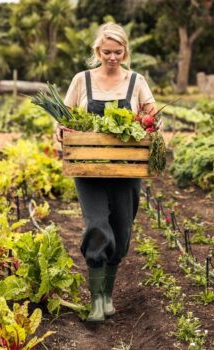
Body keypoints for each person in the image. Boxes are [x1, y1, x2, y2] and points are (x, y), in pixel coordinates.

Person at [55, 22, 158, 322]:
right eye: (106, 52)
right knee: (98, 225)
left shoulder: (136, 82)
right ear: (97, 51)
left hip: (127, 170)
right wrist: (61, 131)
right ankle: (96, 301)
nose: (112, 57)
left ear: (125, 51)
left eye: (117, 52)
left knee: (122, 230)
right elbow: (62, 120)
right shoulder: (81, 80)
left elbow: (151, 114)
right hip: (89, 168)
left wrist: (153, 124)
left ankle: (108, 295)